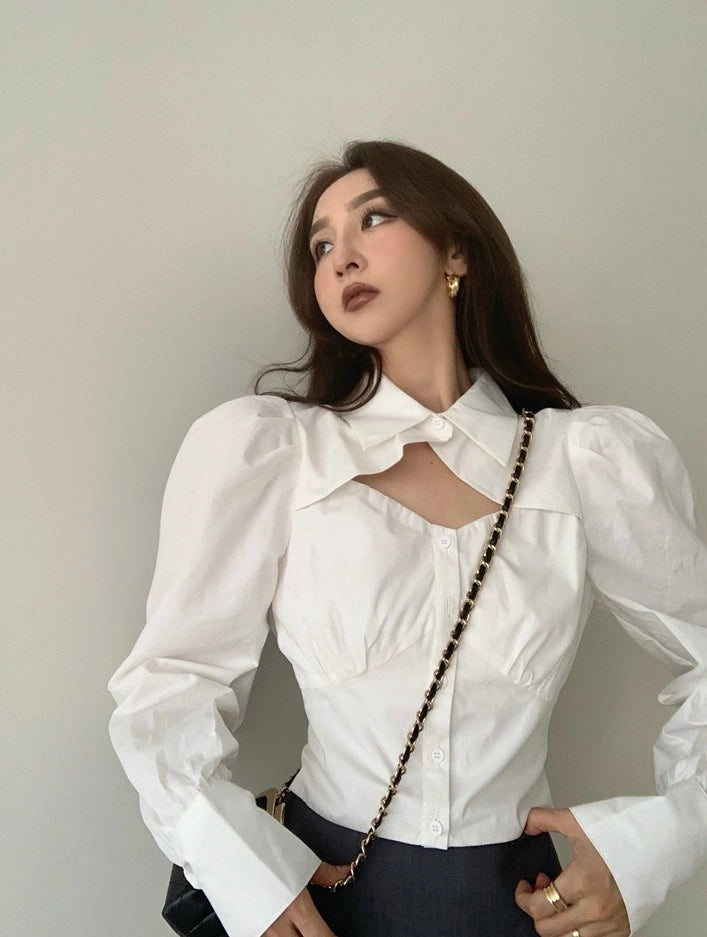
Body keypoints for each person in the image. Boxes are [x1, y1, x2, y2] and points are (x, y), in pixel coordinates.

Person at [108, 140, 707, 937]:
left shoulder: (586, 462)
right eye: (320, 246)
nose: (341, 258)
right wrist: (244, 876)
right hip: (315, 895)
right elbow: (169, 682)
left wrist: (652, 847)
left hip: (517, 904)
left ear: (455, 250)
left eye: (373, 219)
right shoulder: (274, 454)